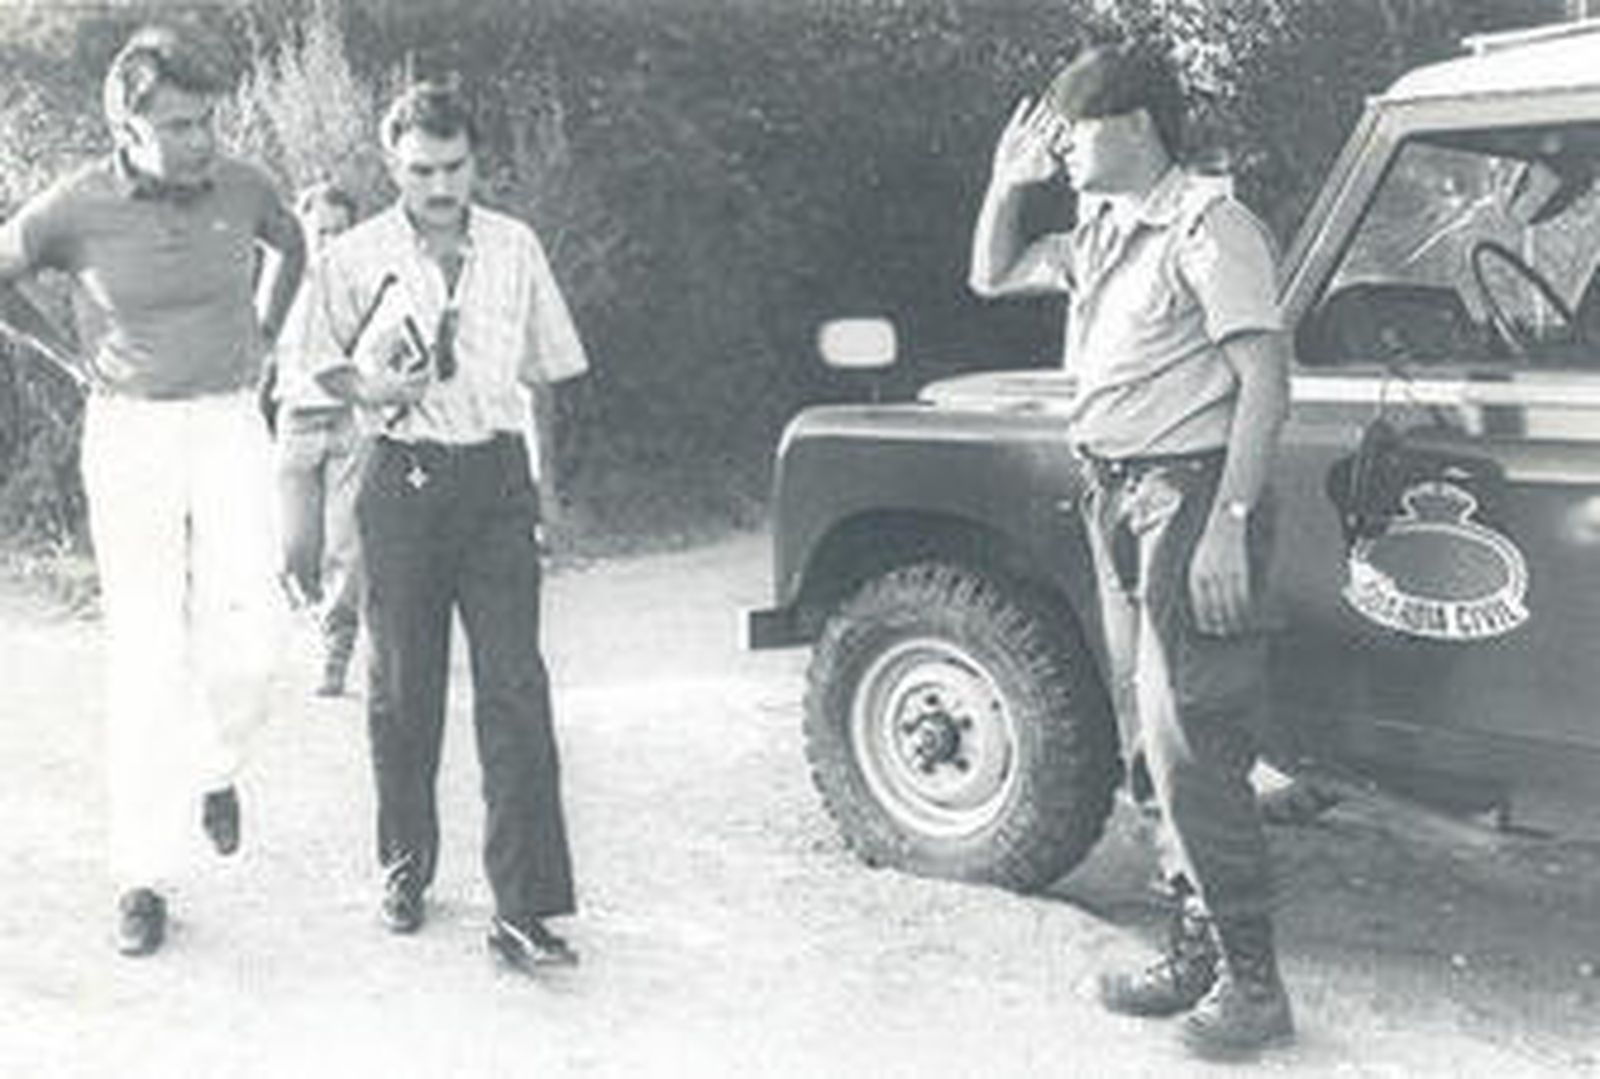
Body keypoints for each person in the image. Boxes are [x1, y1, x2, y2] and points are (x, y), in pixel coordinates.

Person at [969, 43, 1293, 1057]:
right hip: (1116, 494)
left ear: (1139, 125)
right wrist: (1001, 184)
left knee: (1196, 736)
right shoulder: (1105, 229)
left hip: (1188, 495)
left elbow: (1265, 381)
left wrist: (1230, 523)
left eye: (1077, 126)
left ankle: (1253, 983)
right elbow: (988, 275)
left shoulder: (1209, 225)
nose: (1060, 146)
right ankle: (1192, 950)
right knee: (1147, 739)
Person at [0, 24, 305, 956]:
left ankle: (215, 766)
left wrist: (261, 336)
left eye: (207, 119)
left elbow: (292, 245)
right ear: (126, 124)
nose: (200, 139)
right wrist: (65, 352)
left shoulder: (245, 184)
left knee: (255, 631)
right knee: (143, 648)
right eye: (177, 124)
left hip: (226, 421)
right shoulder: (77, 204)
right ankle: (140, 874)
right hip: (129, 431)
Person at [302, 81, 586, 972]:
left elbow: (548, 374)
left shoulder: (515, 246)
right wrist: (370, 387)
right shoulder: (351, 256)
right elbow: (309, 370)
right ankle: (403, 868)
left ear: (476, 160)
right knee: (403, 690)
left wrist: (552, 491)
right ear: (392, 163)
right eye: (420, 169)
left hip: (496, 475)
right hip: (402, 475)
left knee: (515, 688)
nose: (438, 185)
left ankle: (524, 906)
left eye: (454, 166)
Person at [268, 181, 364, 696]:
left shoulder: (368, 281)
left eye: (340, 231)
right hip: (296, 419)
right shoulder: (281, 281)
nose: (330, 241)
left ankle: (338, 646)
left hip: (350, 421)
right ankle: (313, 612)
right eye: (320, 231)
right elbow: (257, 346)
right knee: (293, 548)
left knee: (345, 546)